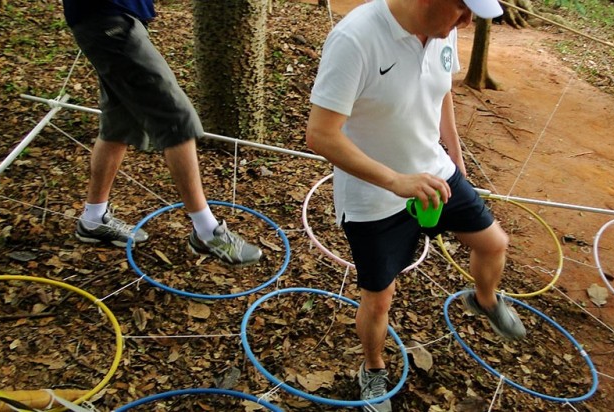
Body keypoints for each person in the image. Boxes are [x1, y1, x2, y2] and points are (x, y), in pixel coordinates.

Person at [305, 0, 524, 410]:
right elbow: (320, 135)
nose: (467, 21)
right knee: (379, 296)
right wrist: (394, 180)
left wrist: (456, 162)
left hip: (435, 173)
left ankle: (485, 299)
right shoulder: (356, 38)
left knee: (494, 243)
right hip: (374, 197)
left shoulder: (446, 26)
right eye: (462, 10)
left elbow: (441, 96)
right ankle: (372, 370)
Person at [62, 0, 261, 266]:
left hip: (108, 19)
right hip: (108, 19)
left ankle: (93, 219)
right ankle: (206, 232)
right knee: (176, 119)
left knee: (120, 121)